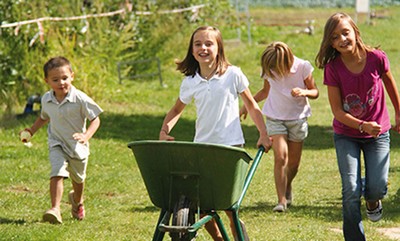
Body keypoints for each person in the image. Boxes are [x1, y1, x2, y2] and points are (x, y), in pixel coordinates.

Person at [159, 26, 272, 241]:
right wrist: (164, 131)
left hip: (230, 147)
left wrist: (263, 134)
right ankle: (219, 238)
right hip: (202, 146)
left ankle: (238, 234)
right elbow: (175, 110)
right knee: (201, 205)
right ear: (192, 50)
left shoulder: (233, 74)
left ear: (219, 47)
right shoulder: (190, 82)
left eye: (209, 43)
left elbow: (251, 106)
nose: (203, 48)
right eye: (198, 44)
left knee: (229, 205)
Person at [315, 12, 400, 240]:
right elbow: (337, 112)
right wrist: (362, 125)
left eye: (345, 32)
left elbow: (390, 85)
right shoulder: (333, 68)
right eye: (335, 37)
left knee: (377, 186)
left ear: (355, 31)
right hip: (347, 135)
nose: (342, 39)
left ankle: (372, 199)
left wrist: (399, 114)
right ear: (330, 42)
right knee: (350, 190)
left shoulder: (377, 58)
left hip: (378, 134)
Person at [19, 56, 103, 224]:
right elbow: (44, 117)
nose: (61, 83)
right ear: (47, 81)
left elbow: (96, 119)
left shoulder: (80, 98)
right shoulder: (46, 99)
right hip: (57, 142)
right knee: (57, 172)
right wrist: (32, 130)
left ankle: (77, 201)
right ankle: (55, 209)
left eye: (65, 78)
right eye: (55, 80)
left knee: (78, 180)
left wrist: (86, 136)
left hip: (77, 147)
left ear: (72, 76)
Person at [240, 41, 319, 212]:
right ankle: (281, 200)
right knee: (280, 157)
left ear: (286, 61)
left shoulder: (303, 67)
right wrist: (247, 105)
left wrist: (304, 92)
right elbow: (265, 92)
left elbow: (315, 91)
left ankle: (287, 185)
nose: (274, 71)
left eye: (276, 68)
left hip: (297, 120)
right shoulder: (270, 69)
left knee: (294, 163)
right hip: (275, 118)